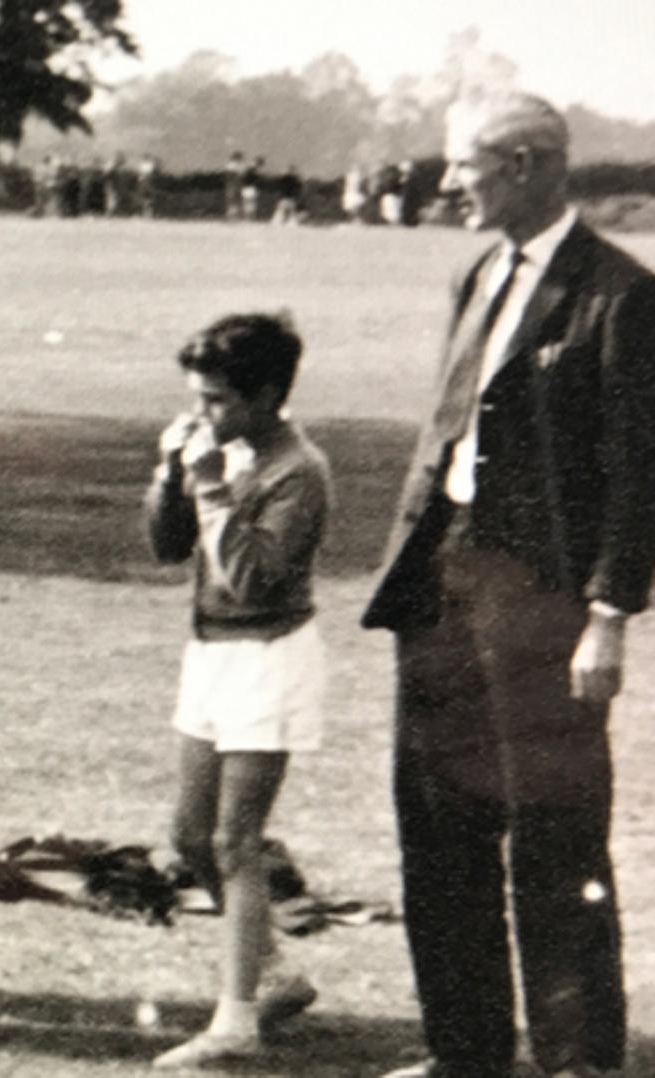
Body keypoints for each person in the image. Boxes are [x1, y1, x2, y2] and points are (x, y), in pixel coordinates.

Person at [363, 93, 655, 1078]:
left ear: (527, 164)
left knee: (555, 835)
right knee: (439, 828)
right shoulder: (476, 272)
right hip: (442, 586)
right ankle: (466, 1051)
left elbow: (638, 470)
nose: (444, 183)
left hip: (545, 600)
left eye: (463, 166)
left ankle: (577, 1061)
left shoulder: (620, 294)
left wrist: (609, 613)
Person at [144, 314, 330, 1069]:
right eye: (196, 398)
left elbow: (251, 579)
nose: (203, 414)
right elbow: (166, 548)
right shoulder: (220, 443)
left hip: (270, 655)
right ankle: (277, 972)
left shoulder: (299, 471)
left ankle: (236, 1020)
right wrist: (168, 475)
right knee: (191, 835)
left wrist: (214, 485)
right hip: (213, 652)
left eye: (218, 400)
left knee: (235, 840)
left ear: (265, 395)